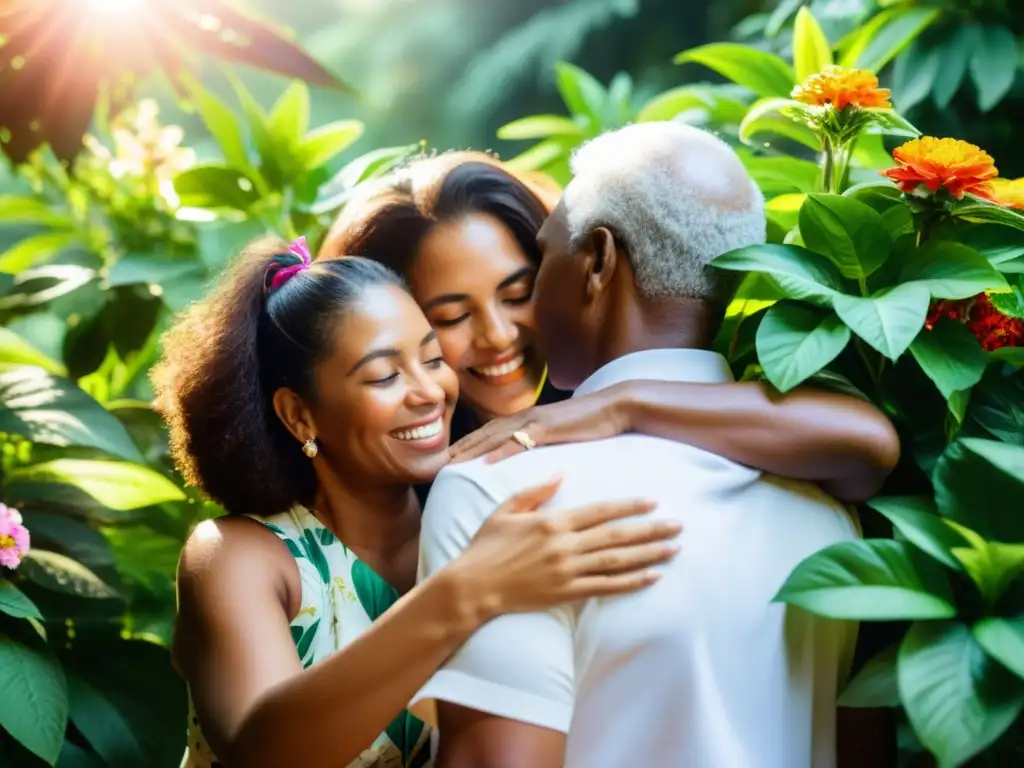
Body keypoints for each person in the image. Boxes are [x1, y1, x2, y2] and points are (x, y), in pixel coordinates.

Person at [412, 123, 887, 767]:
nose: (511, 327)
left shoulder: (498, 491)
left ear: (598, 260)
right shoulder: (828, 509)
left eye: (540, 264)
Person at [154, 237, 684, 768]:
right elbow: (262, 751)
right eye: (385, 375)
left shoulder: (476, 521)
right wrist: (469, 590)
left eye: (433, 358)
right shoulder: (240, 557)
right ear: (299, 415)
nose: (429, 391)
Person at [320, 151, 899, 503]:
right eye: (451, 316)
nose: (497, 335)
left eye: (519, 294)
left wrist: (620, 405)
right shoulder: (413, 480)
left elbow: (865, 443)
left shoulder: (621, 380)